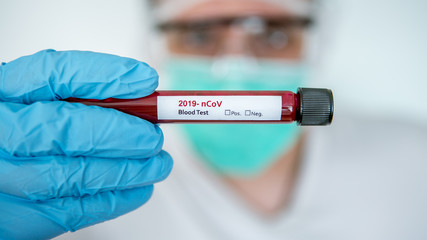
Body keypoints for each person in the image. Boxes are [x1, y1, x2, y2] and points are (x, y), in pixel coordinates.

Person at [1, 1, 427, 240]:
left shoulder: (414, 161)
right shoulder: (78, 181)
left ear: (314, 42)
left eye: (273, 34)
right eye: (201, 35)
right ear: (155, 42)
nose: (234, 66)